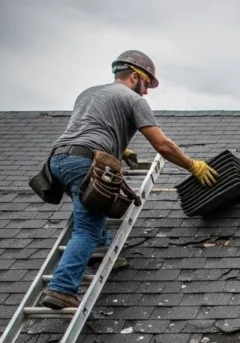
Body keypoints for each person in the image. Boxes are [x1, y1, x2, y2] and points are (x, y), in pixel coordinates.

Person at [40, 50, 219, 310]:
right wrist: (193, 165)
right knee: (86, 229)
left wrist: (120, 149)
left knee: (88, 207)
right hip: (85, 162)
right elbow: (162, 145)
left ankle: (102, 252)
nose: (145, 93)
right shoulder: (133, 100)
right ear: (135, 76)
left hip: (57, 161)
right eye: (146, 85)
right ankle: (62, 289)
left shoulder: (88, 93)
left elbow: (89, 127)